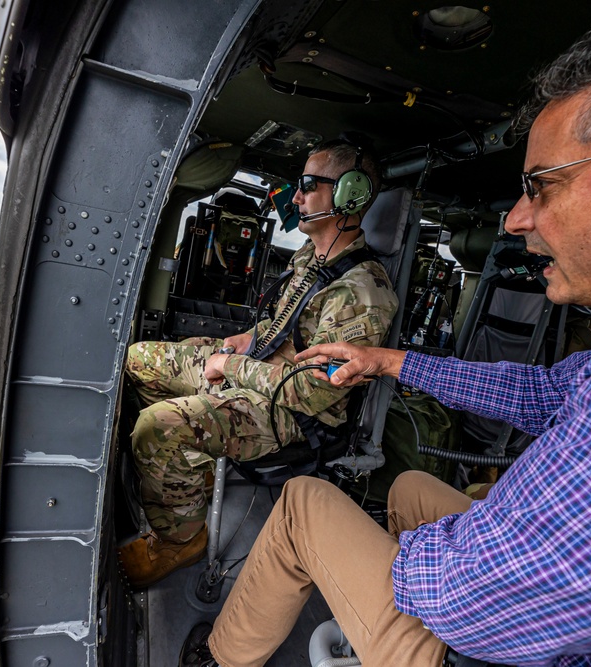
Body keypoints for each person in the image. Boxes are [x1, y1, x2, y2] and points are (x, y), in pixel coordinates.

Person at [179, 5, 591, 666]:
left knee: (306, 503)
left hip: (489, 636)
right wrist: (389, 360)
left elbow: (465, 598)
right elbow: (546, 391)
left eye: (541, 186)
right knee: (404, 491)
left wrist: (454, 540)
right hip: (518, 607)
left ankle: (218, 658)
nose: (515, 219)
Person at [120, 139, 399, 587]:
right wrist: (244, 341)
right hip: (262, 372)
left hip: (292, 414)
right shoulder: (313, 258)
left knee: (159, 427)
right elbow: (280, 323)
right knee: (141, 360)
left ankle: (181, 540)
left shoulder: (362, 291)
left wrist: (227, 368)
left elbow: (311, 392)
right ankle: (186, 483)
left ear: (349, 194)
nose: (296, 197)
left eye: (308, 185)